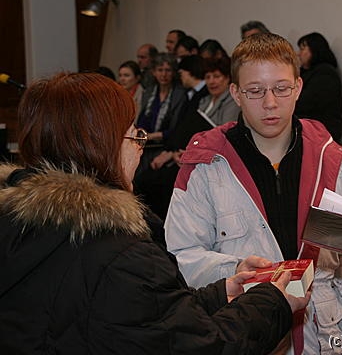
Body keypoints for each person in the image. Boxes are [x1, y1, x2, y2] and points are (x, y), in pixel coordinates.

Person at [0, 72, 309, 354]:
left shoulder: (22, 225)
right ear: (101, 146)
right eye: (134, 136)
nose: (139, 148)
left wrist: (220, 294)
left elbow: (141, 317)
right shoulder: (120, 255)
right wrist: (272, 302)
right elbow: (201, 347)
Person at [165, 33, 342, 355]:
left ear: (298, 87)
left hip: (322, 338)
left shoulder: (329, 162)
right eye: (255, 91)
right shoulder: (206, 165)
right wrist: (234, 269)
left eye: (281, 88)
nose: (270, 103)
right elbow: (181, 255)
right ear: (235, 93)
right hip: (245, 334)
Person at [135, 56, 239, 220]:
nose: (212, 81)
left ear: (227, 79)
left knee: (163, 184)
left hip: (210, 159)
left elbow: (222, 134)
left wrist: (187, 154)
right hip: (186, 153)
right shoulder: (203, 100)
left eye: (217, 76)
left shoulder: (232, 102)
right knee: (145, 179)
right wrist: (176, 153)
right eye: (208, 77)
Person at [295, 32, 342, 142]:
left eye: (302, 49)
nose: (298, 54)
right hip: (309, 129)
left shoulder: (325, 73)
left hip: (322, 132)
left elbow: (306, 103)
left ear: (314, 49)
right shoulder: (306, 73)